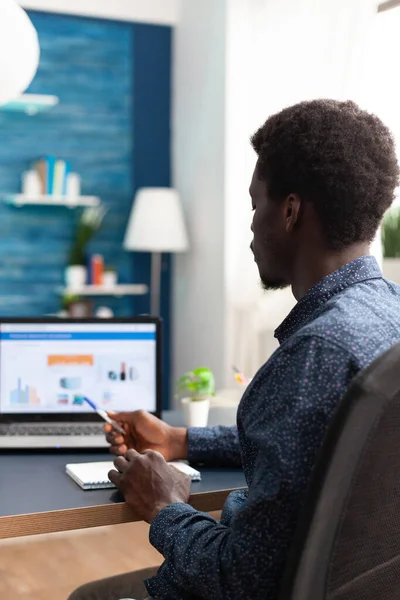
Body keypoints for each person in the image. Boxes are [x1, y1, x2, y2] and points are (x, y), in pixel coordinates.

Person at [69, 99, 400, 600]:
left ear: (289, 211)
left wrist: (164, 506)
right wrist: (181, 440)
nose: (250, 225)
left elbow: (239, 578)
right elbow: (314, 440)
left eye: (254, 204)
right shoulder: (388, 313)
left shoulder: (316, 351)